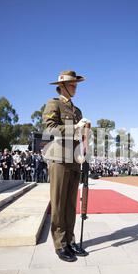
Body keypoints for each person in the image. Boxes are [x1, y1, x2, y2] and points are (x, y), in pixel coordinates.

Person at [43, 70, 90, 262]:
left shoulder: (77, 111)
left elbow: (82, 137)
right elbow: (50, 128)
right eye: (72, 85)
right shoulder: (54, 104)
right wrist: (75, 128)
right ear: (62, 86)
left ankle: (70, 241)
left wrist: (85, 138)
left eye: (76, 85)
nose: (75, 88)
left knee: (71, 204)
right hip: (59, 158)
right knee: (59, 203)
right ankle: (60, 244)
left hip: (74, 159)